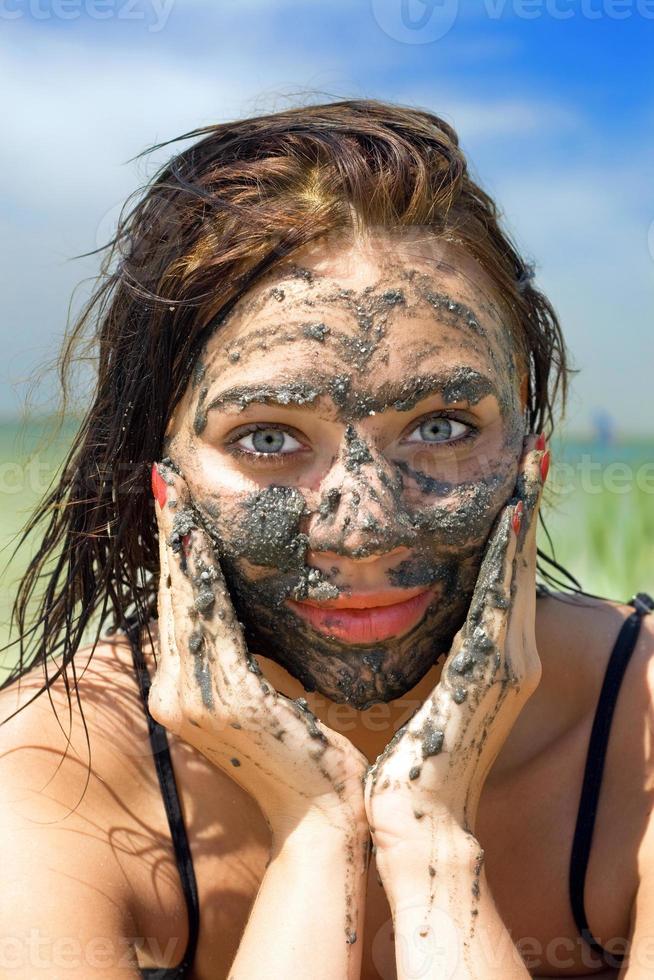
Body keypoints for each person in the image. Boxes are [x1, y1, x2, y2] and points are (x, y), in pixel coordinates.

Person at [0, 98, 652, 980]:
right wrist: (315, 832)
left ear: (531, 452)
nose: (363, 529)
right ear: (163, 474)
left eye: (443, 425)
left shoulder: (634, 734)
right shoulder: (44, 777)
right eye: (267, 437)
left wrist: (434, 844)